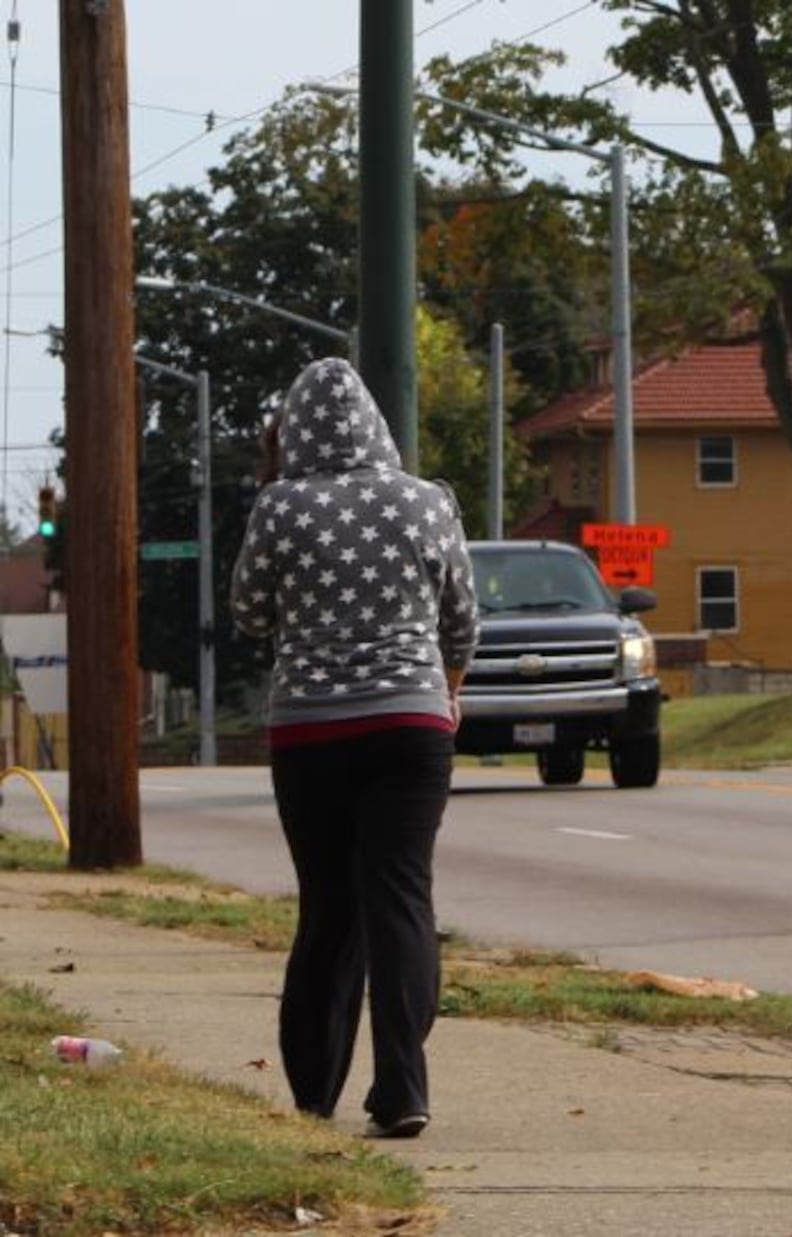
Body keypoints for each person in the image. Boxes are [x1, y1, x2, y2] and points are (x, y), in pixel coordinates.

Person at [230, 357, 479, 1139]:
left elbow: (248, 613)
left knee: (328, 907)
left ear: (293, 433)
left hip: (309, 730)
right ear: (377, 425)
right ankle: (403, 1088)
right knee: (401, 898)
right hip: (411, 724)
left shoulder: (279, 507)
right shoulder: (426, 500)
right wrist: (450, 685)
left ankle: (313, 1097)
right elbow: (462, 618)